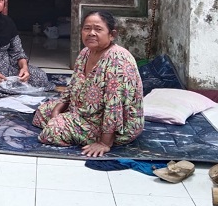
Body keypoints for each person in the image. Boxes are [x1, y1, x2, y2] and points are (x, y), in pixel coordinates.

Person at [32, 10, 143, 157]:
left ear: (112, 34)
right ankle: (69, 124)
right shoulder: (85, 52)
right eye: (87, 28)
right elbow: (72, 86)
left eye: (98, 29)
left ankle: (84, 132)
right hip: (83, 111)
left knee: (52, 131)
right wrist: (57, 111)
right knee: (41, 112)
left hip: (111, 126)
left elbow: (114, 106)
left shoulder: (117, 60)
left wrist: (104, 143)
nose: (91, 33)